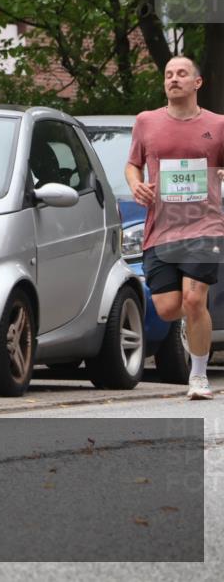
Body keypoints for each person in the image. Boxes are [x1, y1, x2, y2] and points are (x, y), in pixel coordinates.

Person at [125, 56, 224, 400]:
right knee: (168, 308)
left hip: (205, 225)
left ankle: (198, 376)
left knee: (195, 298)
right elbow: (132, 164)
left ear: (197, 82)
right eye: (168, 74)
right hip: (162, 227)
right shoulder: (146, 122)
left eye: (182, 73)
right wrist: (136, 185)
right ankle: (192, 321)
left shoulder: (218, 124)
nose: (174, 79)